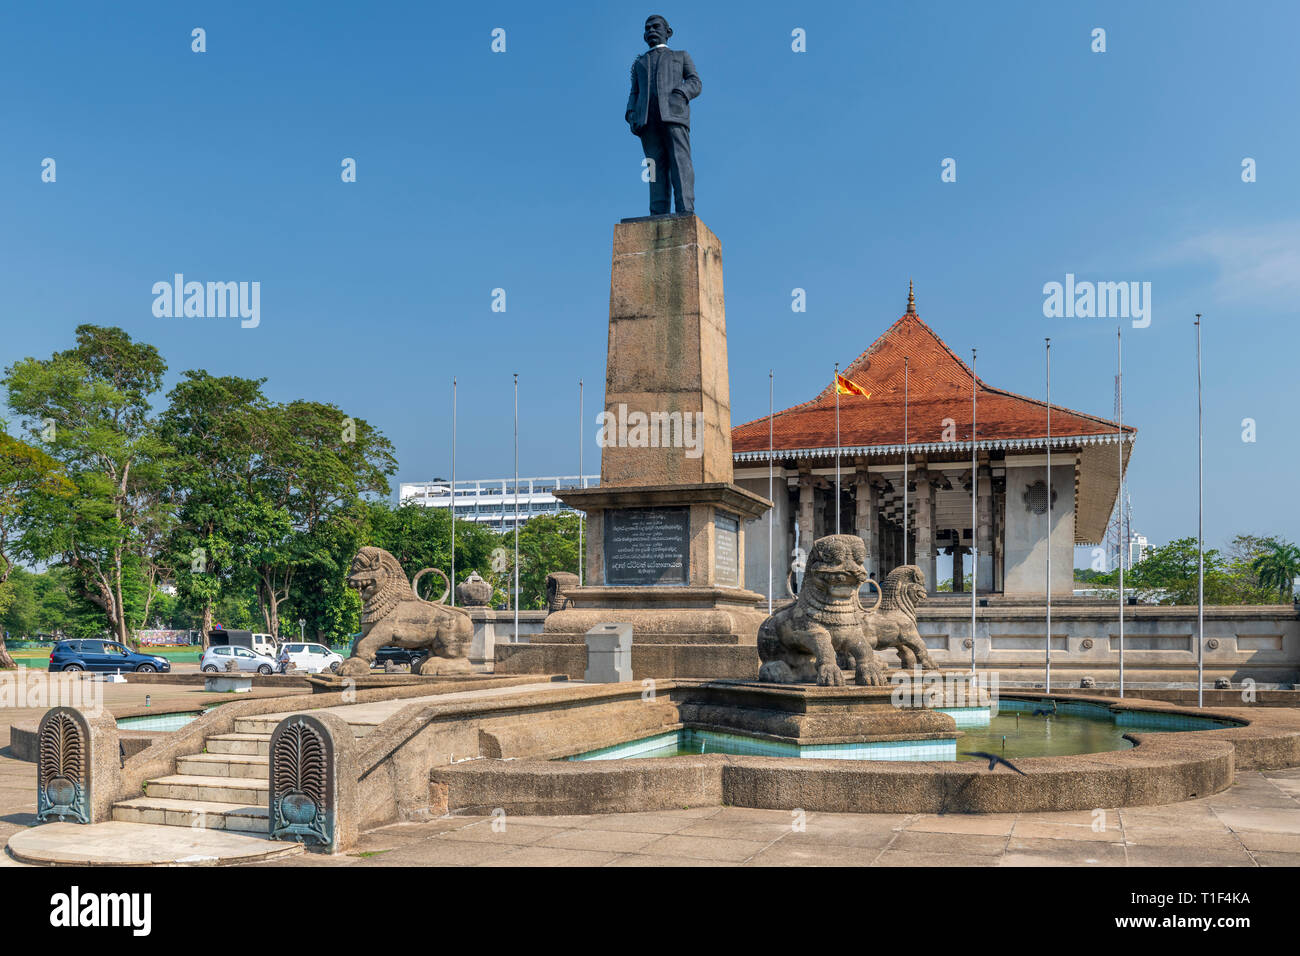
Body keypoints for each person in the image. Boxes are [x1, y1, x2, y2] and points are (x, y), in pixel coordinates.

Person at [625, 15, 701, 214]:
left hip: (674, 116)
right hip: (647, 121)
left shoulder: (680, 56)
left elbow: (695, 82)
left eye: (656, 26)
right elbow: (634, 92)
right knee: (654, 167)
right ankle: (658, 213)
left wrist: (681, 93)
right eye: (647, 27)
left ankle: (685, 209)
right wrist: (631, 113)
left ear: (668, 32)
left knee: (680, 161)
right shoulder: (639, 63)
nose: (651, 30)